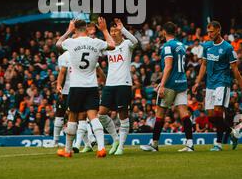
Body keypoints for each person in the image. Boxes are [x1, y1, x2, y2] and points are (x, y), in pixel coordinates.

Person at [56, 18, 115, 158]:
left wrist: (68, 31)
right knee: (93, 117)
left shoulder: (71, 42)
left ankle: (68, 150)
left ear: (75, 30)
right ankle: (101, 148)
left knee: (72, 117)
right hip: (91, 86)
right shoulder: (96, 42)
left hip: (76, 86)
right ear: (87, 29)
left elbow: (58, 44)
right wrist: (105, 30)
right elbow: (112, 45)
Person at [141, 22, 194, 153]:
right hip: (182, 82)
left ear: (164, 32)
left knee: (160, 113)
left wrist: (162, 84)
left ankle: (154, 144)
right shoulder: (182, 45)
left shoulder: (167, 46)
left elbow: (169, 66)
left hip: (170, 84)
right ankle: (190, 144)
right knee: (184, 113)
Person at [193, 21, 242, 151]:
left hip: (223, 82)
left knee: (218, 112)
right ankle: (233, 132)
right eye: (208, 31)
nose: (209, 34)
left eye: (212, 31)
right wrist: (198, 82)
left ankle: (218, 144)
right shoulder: (206, 46)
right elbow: (203, 65)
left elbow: (235, 70)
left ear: (218, 30)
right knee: (210, 116)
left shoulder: (227, 48)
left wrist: (241, 84)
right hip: (210, 84)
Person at [99, 19, 138, 156]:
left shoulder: (127, 44)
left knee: (123, 116)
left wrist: (124, 29)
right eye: (112, 31)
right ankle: (115, 139)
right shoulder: (108, 47)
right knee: (101, 113)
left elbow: (136, 42)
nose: (114, 33)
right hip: (110, 84)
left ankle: (121, 146)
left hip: (124, 83)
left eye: (116, 31)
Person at [53, 51, 72, 147]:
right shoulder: (76, 52)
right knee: (79, 116)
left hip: (66, 91)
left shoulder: (62, 57)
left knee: (60, 114)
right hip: (76, 88)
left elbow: (63, 74)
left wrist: (59, 88)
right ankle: (88, 141)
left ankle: (55, 141)